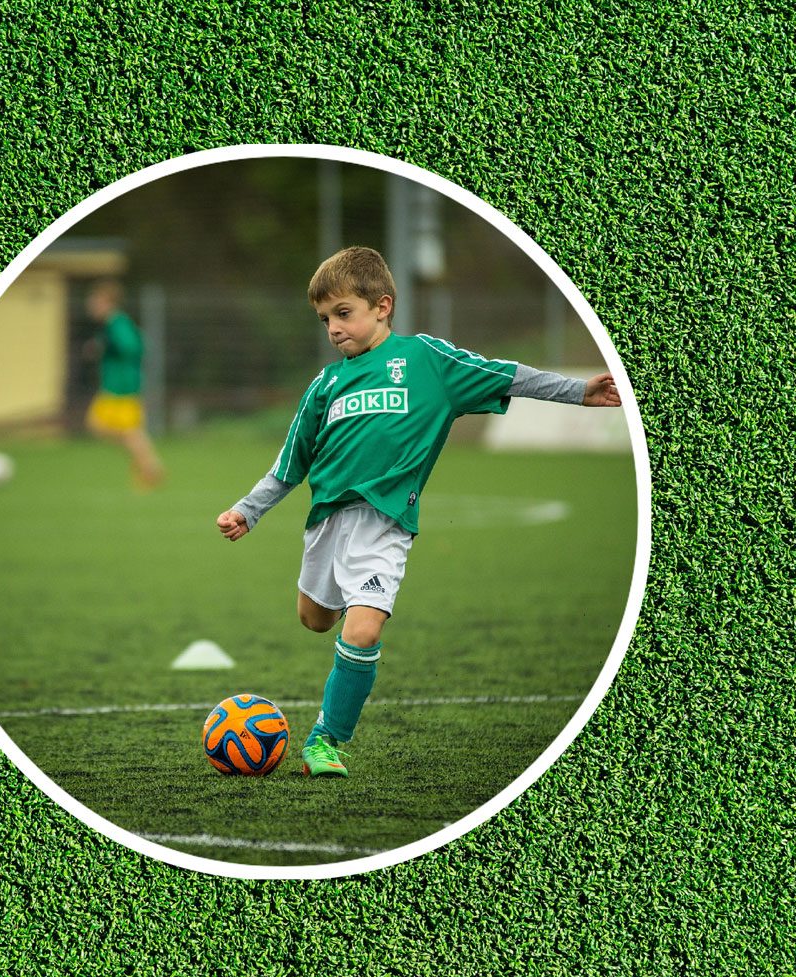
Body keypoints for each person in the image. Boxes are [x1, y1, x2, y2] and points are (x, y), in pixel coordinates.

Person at [216, 246, 621, 779]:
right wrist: (249, 511)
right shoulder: (324, 386)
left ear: (382, 306)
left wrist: (576, 391)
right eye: (324, 319)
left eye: (344, 313)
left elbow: (506, 375)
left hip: (385, 525)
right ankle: (344, 608)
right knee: (315, 620)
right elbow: (290, 464)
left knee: (361, 632)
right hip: (327, 524)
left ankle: (326, 740)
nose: (333, 328)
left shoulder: (427, 360)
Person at [84, 279, 165, 489]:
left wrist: (107, 345)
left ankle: (149, 467)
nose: (91, 305)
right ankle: (146, 465)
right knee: (106, 427)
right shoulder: (111, 325)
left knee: (126, 431)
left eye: (95, 301)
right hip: (114, 386)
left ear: (107, 302)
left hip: (122, 387)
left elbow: (134, 346)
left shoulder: (117, 323)